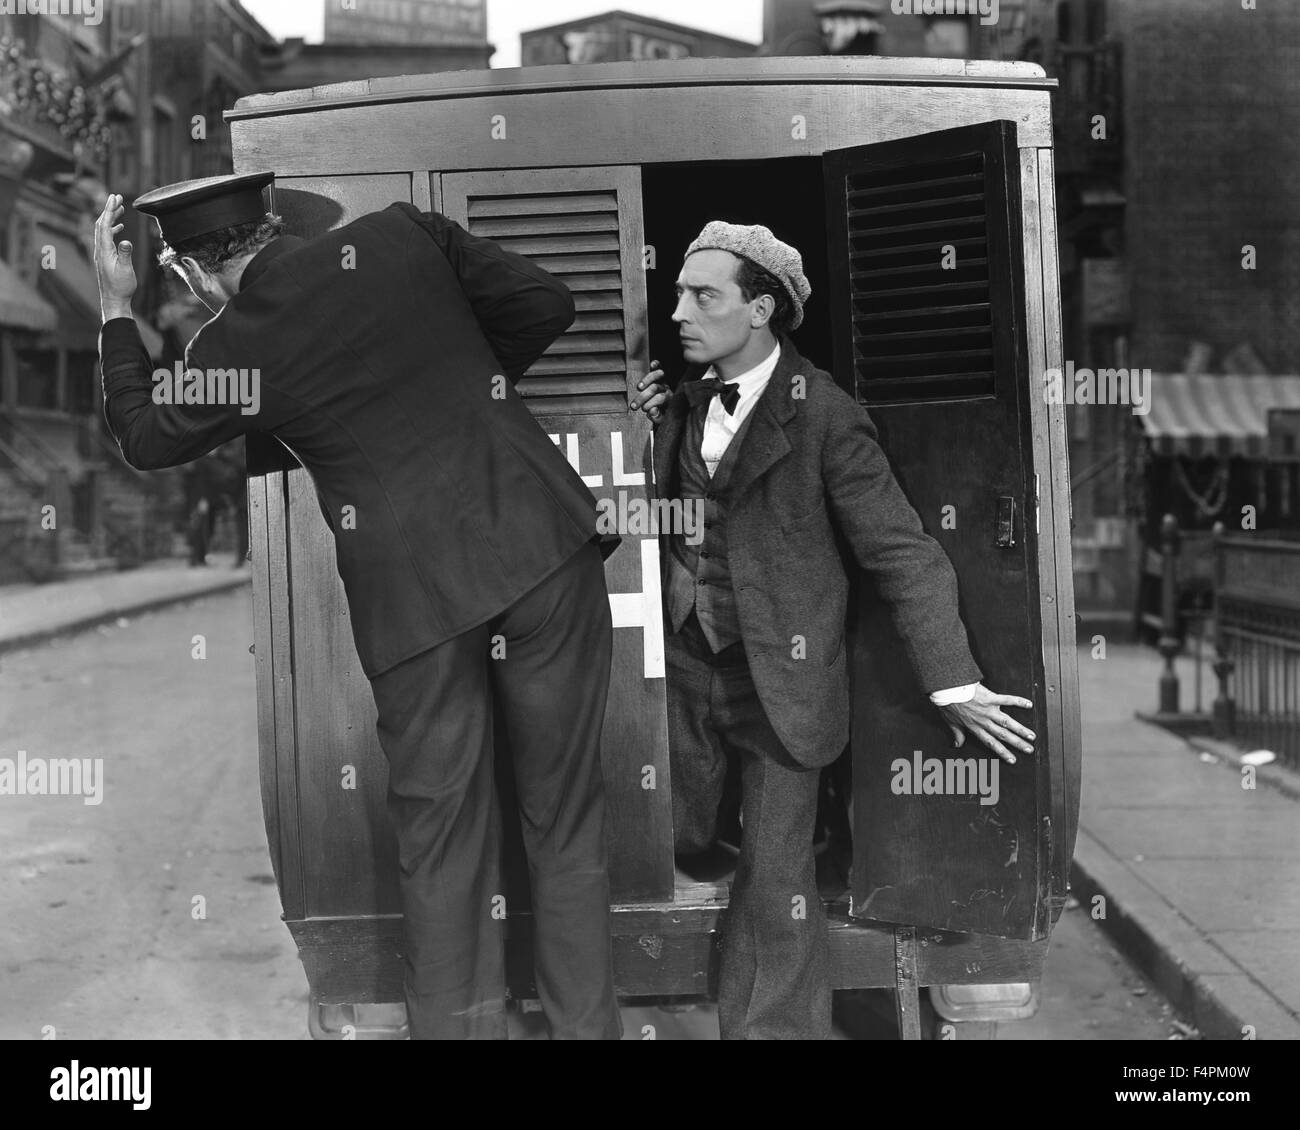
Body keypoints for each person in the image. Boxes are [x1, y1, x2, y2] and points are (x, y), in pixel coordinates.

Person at [93, 174, 622, 1040]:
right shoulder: (405, 235)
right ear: (268, 224)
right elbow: (547, 301)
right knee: (565, 822)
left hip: (416, 599)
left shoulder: (238, 345)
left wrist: (116, 309)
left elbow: (146, 435)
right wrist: (472, 395)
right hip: (542, 548)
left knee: (442, 843)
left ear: (195, 275)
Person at [630, 221, 1037, 1040]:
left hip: (784, 681)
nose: (676, 311)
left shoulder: (827, 418)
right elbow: (670, 514)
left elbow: (904, 553)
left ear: (761, 309)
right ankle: (749, 843)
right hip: (682, 662)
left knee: (777, 878)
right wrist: (642, 436)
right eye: (679, 292)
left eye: (701, 295)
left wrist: (952, 681)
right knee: (678, 833)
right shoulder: (684, 401)